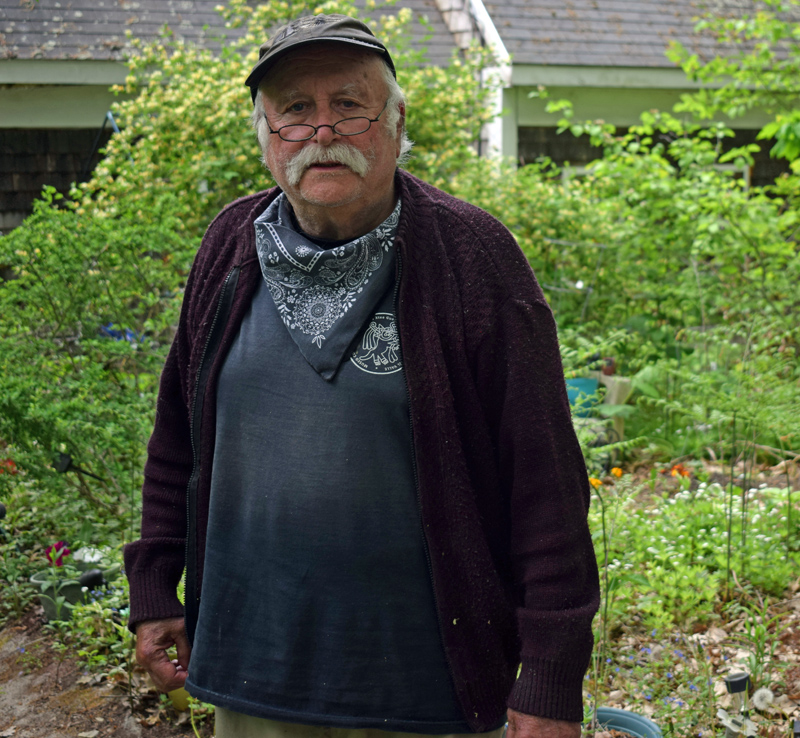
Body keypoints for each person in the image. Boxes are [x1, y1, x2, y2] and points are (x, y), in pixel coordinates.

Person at [124, 14, 599, 738]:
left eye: (350, 105)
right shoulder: (229, 246)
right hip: (253, 673)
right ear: (263, 132)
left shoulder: (473, 258)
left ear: (398, 120)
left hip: (430, 688)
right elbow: (178, 438)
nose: (322, 131)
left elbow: (545, 483)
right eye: (294, 110)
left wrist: (550, 675)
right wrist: (156, 583)